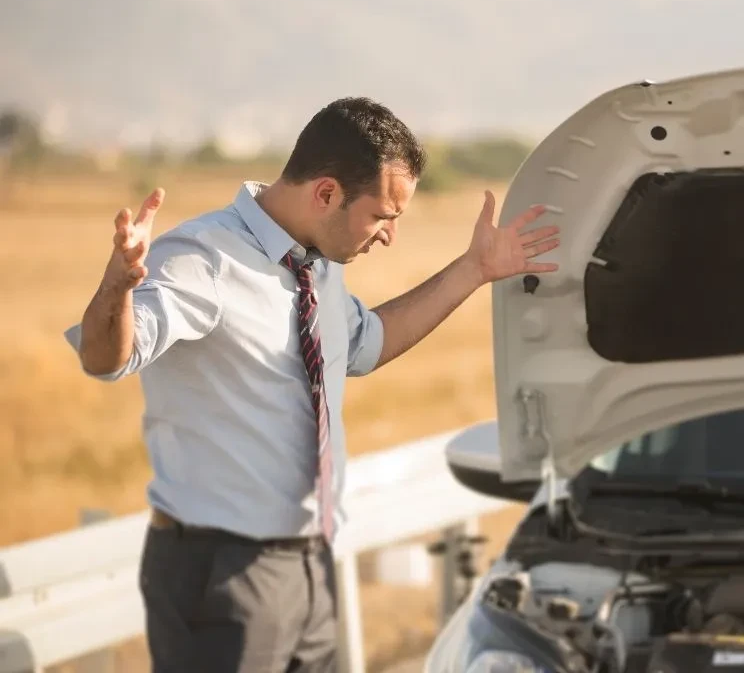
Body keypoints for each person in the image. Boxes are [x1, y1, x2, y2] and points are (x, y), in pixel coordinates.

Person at [64, 97, 560, 672]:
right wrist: (117, 289)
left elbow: (366, 343)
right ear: (325, 193)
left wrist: (473, 269)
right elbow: (106, 358)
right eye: (382, 216)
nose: (388, 236)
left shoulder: (317, 267)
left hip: (309, 563)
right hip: (220, 573)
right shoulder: (202, 259)